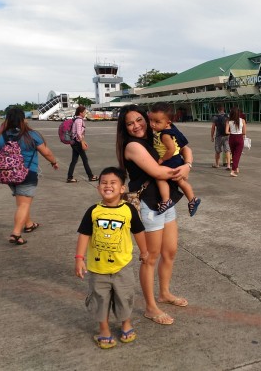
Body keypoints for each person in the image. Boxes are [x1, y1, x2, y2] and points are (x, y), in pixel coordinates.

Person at [116, 104, 192, 325]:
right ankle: (150, 306)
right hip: (149, 205)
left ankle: (164, 293)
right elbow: (158, 171)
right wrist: (184, 170)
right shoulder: (132, 146)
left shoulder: (158, 134)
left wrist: (188, 162)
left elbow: (186, 147)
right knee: (150, 257)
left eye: (139, 120)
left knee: (170, 252)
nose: (136, 126)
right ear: (124, 128)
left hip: (165, 201)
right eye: (130, 123)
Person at [74, 167, 148, 349]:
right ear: (99, 187)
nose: (108, 186)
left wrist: (144, 251)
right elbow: (84, 235)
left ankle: (126, 323)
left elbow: (138, 232)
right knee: (100, 300)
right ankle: (104, 329)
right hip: (97, 268)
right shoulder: (93, 211)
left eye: (113, 182)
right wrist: (79, 258)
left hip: (122, 266)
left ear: (122, 188)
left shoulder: (129, 210)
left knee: (125, 297)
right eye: (104, 183)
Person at [0, 107, 59, 245]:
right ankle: (16, 233)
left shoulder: (1, 136)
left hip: (7, 174)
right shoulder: (31, 135)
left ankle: (29, 224)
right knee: (24, 204)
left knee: (22, 203)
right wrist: (54, 162)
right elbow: (46, 152)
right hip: (27, 174)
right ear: (23, 119)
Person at [148, 102, 201, 216]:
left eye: (157, 122)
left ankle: (166, 200)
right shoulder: (162, 130)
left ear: (168, 123)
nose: (152, 124)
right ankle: (192, 199)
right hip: (175, 160)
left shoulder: (165, 135)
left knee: (160, 178)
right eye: (151, 120)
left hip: (171, 160)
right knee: (180, 181)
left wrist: (162, 160)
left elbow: (171, 150)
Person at [67, 106, 98, 183]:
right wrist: (82, 143)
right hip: (77, 142)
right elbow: (78, 133)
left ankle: (69, 177)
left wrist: (83, 141)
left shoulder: (76, 119)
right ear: (80, 113)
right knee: (84, 159)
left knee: (74, 160)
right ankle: (91, 176)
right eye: (84, 112)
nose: (85, 113)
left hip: (74, 142)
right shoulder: (79, 120)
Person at [225, 106, 246, 177]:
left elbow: (226, 131)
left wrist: (232, 132)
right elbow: (244, 132)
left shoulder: (229, 121)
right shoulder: (242, 120)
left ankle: (236, 167)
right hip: (239, 137)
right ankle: (233, 170)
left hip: (232, 138)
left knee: (234, 154)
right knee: (237, 155)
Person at [211, 105, 231, 169]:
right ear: (223, 109)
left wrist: (212, 136)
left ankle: (217, 164)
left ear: (218, 110)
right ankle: (228, 165)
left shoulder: (215, 117)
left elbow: (213, 128)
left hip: (218, 136)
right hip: (227, 135)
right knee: (227, 150)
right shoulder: (228, 116)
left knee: (217, 151)